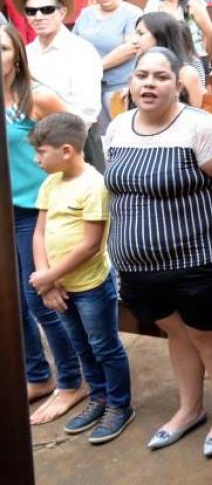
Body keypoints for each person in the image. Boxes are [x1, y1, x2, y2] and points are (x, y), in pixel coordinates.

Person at [106, 47, 212, 457]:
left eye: (160, 77)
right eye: (142, 75)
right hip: (139, 268)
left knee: (211, 334)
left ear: (179, 84)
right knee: (178, 333)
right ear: (131, 81)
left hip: (203, 263)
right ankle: (190, 409)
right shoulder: (118, 126)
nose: (149, 84)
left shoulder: (202, 128)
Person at [28, 112, 135, 444]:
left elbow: (90, 245)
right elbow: (39, 232)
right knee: (81, 345)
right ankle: (98, 397)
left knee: (104, 346)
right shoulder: (50, 184)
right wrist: (47, 279)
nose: (36, 160)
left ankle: (119, 405)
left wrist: (50, 275)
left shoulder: (94, 186)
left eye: (41, 152)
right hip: (60, 286)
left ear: (66, 150)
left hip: (90, 287)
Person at [3, 23, 81, 426]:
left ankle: (72, 381)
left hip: (36, 210)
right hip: (6, 210)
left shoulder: (36, 97)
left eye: (2, 49)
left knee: (40, 297)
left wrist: (71, 193)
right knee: (10, 302)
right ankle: (38, 375)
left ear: (17, 55)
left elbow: (75, 137)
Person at [16, 0, 105, 169]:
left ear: (62, 12)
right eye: (31, 11)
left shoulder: (81, 51)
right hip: (35, 147)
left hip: (78, 145)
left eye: (47, 10)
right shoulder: (26, 53)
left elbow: (87, 113)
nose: (39, 16)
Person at [72, 0, 140, 133]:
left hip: (118, 86)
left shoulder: (131, 13)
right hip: (90, 86)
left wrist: (96, 68)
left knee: (122, 131)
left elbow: (131, 47)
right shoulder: (86, 13)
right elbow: (73, 43)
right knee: (100, 135)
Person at [144, 0, 212, 71]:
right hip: (165, 61)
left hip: (191, 61)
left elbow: (210, 34)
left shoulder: (192, 5)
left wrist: (205, 57)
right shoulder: (156, 4)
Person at [130, 11, 206, 108]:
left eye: (141, 34)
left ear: (160, 36)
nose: (134, 40)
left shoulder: (186, 74)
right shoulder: (137, 72)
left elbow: (196, 114)